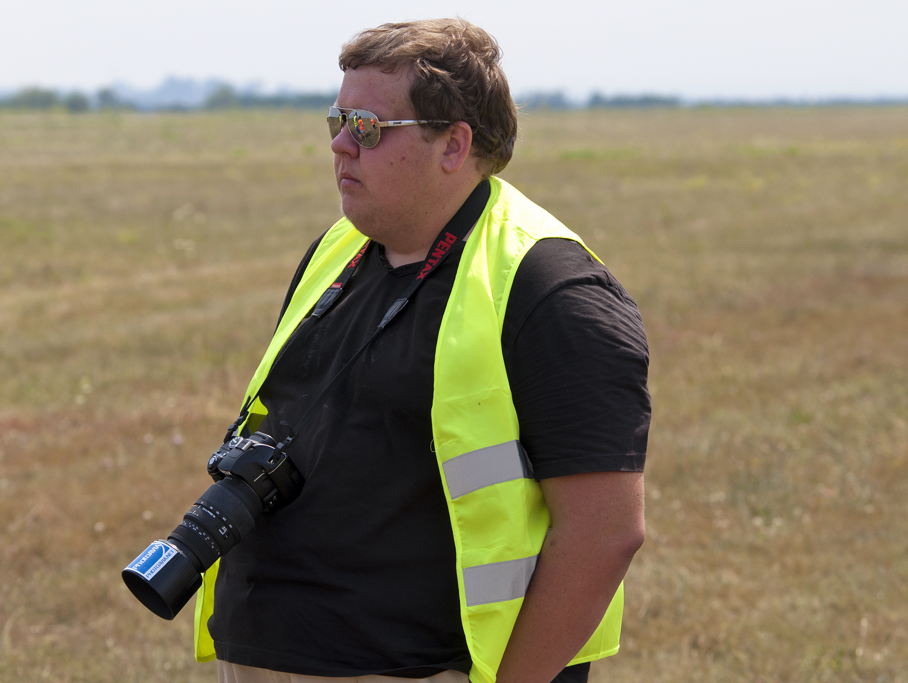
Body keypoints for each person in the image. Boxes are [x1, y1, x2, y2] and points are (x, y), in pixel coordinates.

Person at [196, 18, 650, 683]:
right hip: (268, 651)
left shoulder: (551, 289)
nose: (343, 147)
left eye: (370, 128)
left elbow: (604, 532)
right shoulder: (339, 250)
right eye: (337, 121)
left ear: (453, 144)